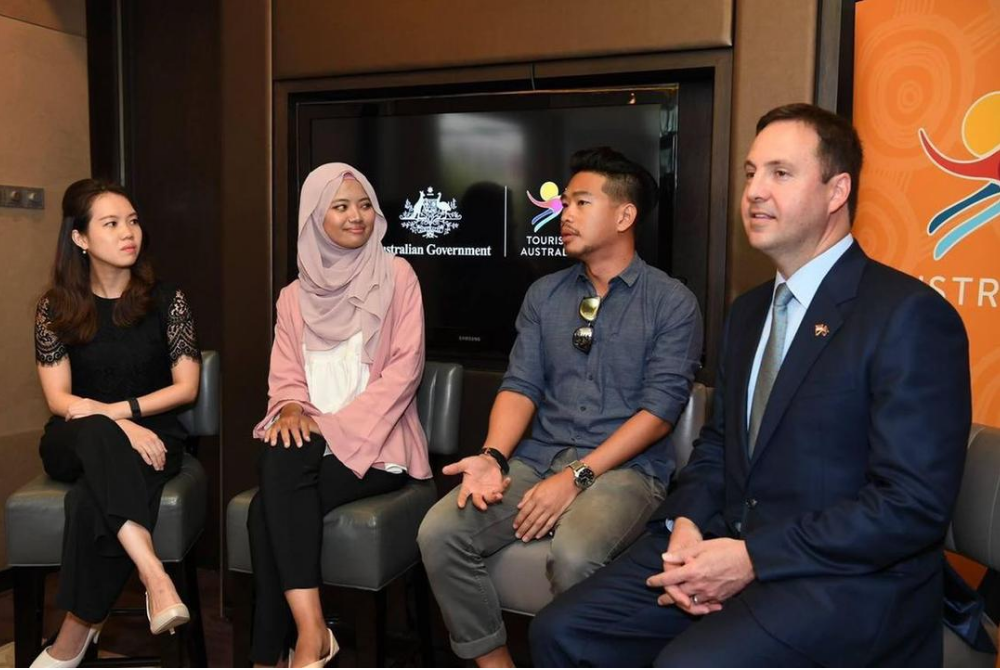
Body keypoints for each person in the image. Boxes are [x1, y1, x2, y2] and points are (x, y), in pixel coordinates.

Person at [530, 103, 972, 667]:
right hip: (723, 543)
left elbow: (911, 506)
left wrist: (753, 558)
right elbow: (719, 448)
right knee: (561, 631)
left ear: (837, 191)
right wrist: (686, 524)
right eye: (750, 173)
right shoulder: (749, 311)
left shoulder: (907, 315)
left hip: (846, 580)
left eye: (780, 174)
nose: (755, 192)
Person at [418, 147, 703, 667]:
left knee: (574, 553)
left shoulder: (671, 301)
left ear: (624, 215)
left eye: (580, 202)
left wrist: (576, 477)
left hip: (626, 470)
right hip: (537, 457)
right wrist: (493, 457)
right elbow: (520, 384)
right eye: (564, 202)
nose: (563, 214)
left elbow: (660, 411)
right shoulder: (544, 295)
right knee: (440, 532)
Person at [248, 163, 431, 668]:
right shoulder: (292, 297)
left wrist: (325, 427)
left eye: (365, 204)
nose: (357, 217)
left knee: (269, 506)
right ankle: (308, 636)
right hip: (309, 445)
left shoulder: (397, 276)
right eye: (341, 206)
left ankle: (281, 649)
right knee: (274, 489)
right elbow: (285, 377)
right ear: (314, 217)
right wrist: (288, 406)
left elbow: (404, 373)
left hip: (377, 447)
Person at [31, 179, 202, 668]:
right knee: (98, 440)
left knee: (92, 501)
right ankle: (154, 575)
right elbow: (59, 399)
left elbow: (185, 388)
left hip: (151, 437)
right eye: (111, 223)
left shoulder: (167, 301)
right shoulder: (55, 307)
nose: (129, 233)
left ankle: (72, 639)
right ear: (80, 239)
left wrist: (114, 415)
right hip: (74, 437)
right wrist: (117, 425)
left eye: (132, 220)